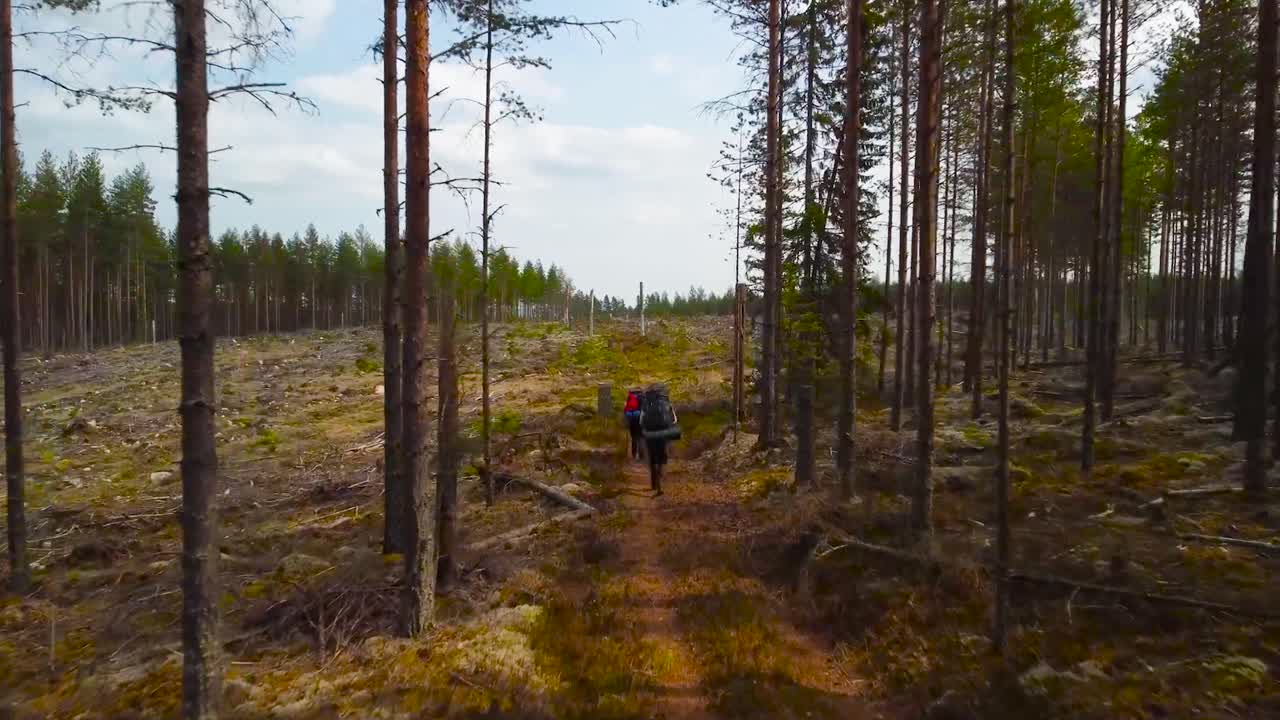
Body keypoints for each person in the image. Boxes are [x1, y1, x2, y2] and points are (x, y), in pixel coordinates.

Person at [641, 384, 679, 495]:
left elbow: (641, 421)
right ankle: (660, 473)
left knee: (652, 458)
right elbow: (674, 420)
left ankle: (653, 483)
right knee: (663, 454)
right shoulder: (667, 403)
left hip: (650, 434)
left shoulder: (646, 404)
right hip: (663, 433)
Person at [623, 388, 645, 461]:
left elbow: (625, 410)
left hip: (632, 420)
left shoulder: (630, 398)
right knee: (641, 437)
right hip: (641, 420)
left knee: (634, 437)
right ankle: (641, 455)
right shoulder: (643, 397)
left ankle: (634, 454)